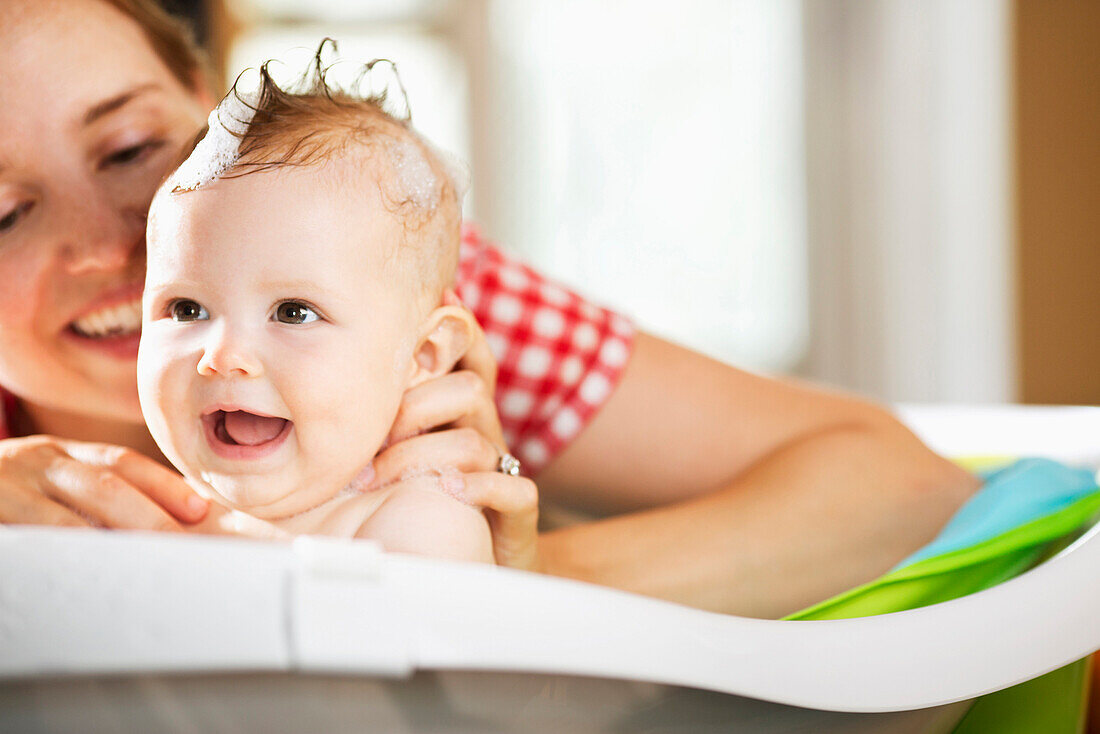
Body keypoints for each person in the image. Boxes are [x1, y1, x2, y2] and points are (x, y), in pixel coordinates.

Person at [0, 0, 980, 619]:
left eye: (133, 148)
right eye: (3, 213)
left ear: (216, 114)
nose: (103, 245)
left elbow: (895, 487)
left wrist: (501, 585)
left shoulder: (386, 274)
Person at [137, 53, 516, 563]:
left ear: (422, 356)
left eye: (293, 312)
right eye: (186, 308)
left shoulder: (416, 530)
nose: (223, 355)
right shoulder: (136, 516)